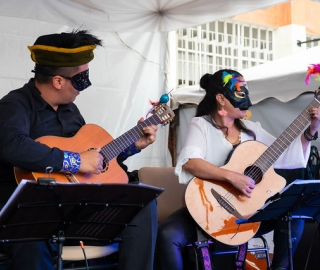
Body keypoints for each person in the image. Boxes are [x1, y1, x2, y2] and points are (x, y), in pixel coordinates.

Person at [0, 29, 158, 270]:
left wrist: (129, 147)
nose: (84, 86)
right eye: (81, 78)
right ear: (58, 81)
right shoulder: (15, 104)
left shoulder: (71, 111)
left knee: (143, 204)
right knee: (31, 237)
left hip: (76, 209)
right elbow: (13, 146)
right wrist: (73, 161)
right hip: (30, 214)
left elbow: (93, 162)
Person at [155, 69, 320, 270]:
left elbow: (285, 154)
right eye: (241, 93)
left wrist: (311, 130)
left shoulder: (253, 130)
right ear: (221, 99)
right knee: (166, 235)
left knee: (293, 216)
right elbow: (190, 162)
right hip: (208, 207)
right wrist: (232, 177)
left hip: (245, 215)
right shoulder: (201, 125)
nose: (248, 100)